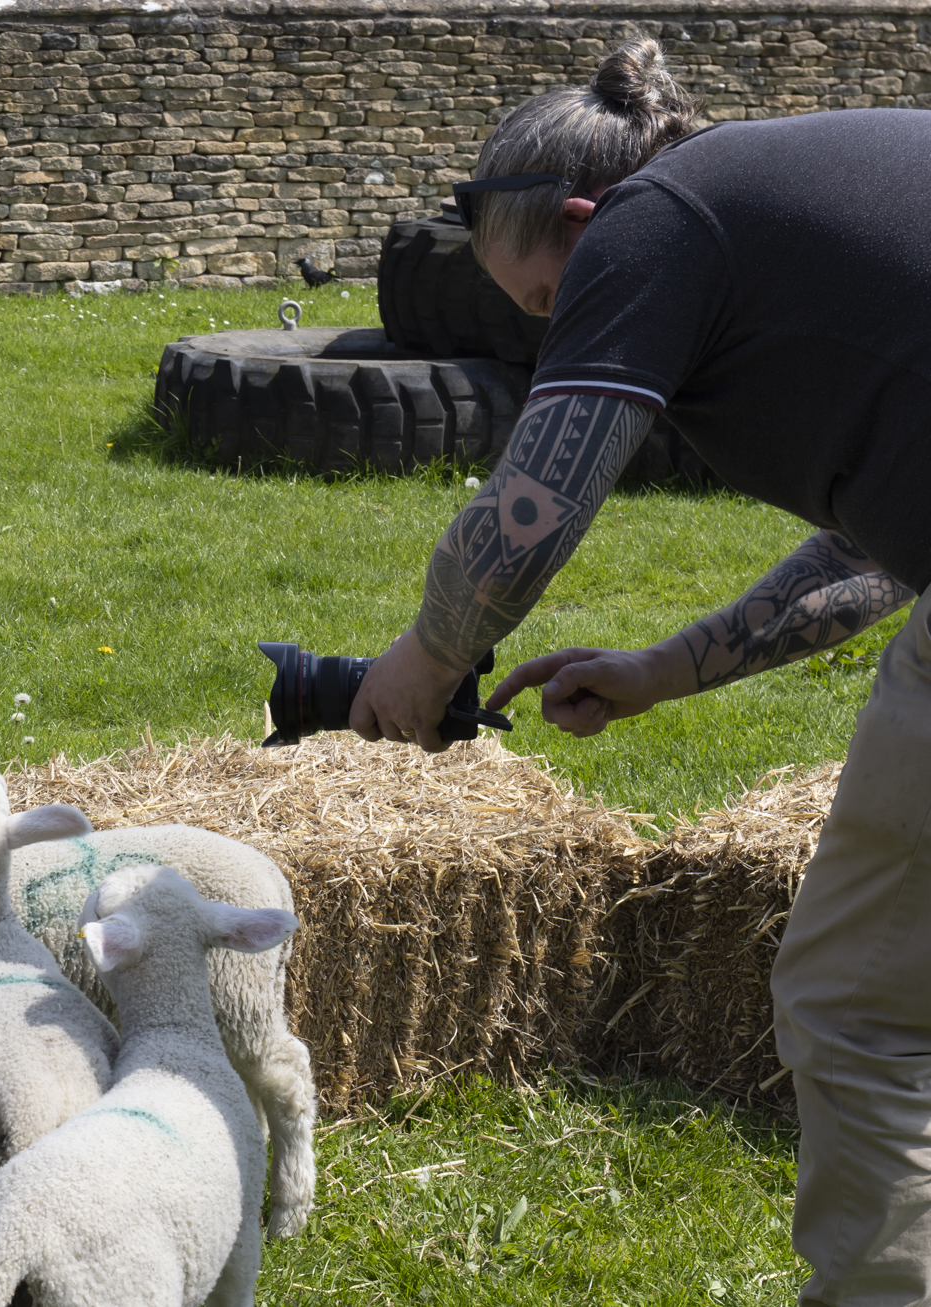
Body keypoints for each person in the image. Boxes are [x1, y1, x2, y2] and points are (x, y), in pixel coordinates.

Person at [347, 38, 930, 1307]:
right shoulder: (777, 206)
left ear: (573, 223)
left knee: (860, 1003)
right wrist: (664, 671)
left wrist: (426, 655)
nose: (558, 325)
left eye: (545, 303)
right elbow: (881, 550)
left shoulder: (648, 222)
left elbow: (538, 502)